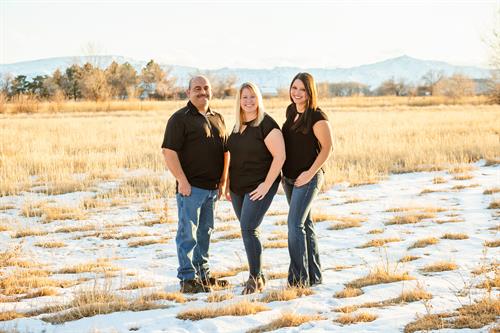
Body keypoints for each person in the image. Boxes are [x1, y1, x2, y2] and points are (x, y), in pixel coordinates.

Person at [161, 75, 229, 293]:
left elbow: (225, 151)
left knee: (205, 232)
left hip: (212, 189)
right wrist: (182, 181)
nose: (202, 92)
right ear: (188, 92)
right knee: (187, 234)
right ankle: (187, 279)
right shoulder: (179, 119)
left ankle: (203, 274)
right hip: (191, 188)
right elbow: (169, 152)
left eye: (206, 88)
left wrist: (223, 180)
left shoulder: (217, 117)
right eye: (197, 88)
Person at [225, 82, 286, 294]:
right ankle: (257, 275)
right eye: (244, 97)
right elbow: (231, 157)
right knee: (248, 230)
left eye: (252, 97)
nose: (248, 101)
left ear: (258, 99)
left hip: (259, 186)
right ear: (239, 101)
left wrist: (266, 185)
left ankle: (255, 278)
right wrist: (227, 185)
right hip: (238, 188)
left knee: (248, 228)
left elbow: (280, 156)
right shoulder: (236, 126)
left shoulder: (267, 124)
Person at [281, 72, 333, 287]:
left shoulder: (317, 116)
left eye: (302, 89)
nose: (297, 93)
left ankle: (299, 279)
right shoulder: (291, 111)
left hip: (309, 178)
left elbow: (328, 148)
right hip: (290, 179)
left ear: (310, 92)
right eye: (294, 88)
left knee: (294, 225)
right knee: (306, 224)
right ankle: (314, 276)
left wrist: (310, 173)